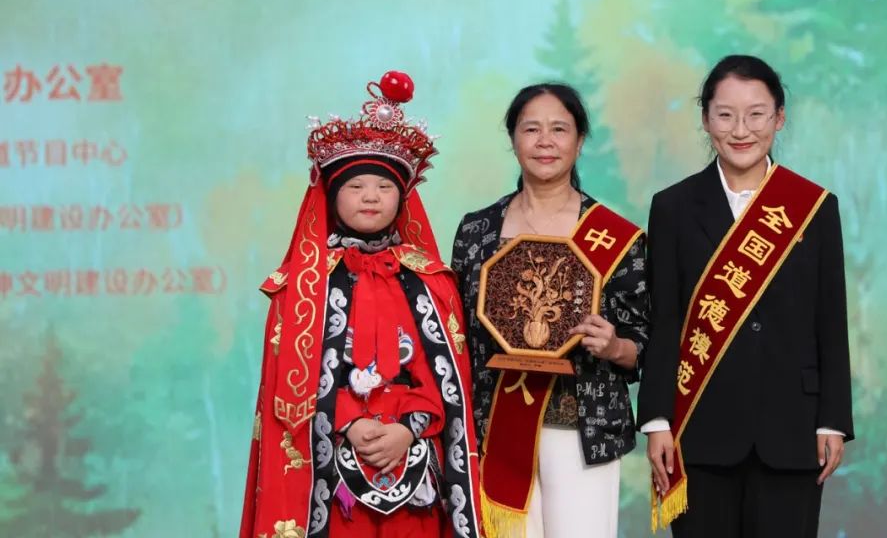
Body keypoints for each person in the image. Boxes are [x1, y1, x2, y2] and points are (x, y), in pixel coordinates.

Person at [239, 70, 484, 538]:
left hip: (416, 463)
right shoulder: (302, 285)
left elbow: (450, 381)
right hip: (331, 471)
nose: (371, 196)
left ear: (401, 198)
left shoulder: (431, 281)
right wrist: (348, 421)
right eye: (356, 187)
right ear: (332, 196)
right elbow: (286, 386)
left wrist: (408, 428)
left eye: (384, 187)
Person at [637, 55, 854, 537]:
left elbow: (830, 320)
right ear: (705, 119)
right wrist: (656, 420)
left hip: (794, 429)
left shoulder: (814, 207)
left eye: (756, 114)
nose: (741, 130)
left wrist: (833, 421)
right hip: (698, 428)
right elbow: (664, 320)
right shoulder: (672, 207)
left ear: (779, 118)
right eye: (725, 115)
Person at [451, 83, 649, 538]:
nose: (545, 141)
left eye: (559, 129)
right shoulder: (476, 231)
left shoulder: (617, 237)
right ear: (513, 139)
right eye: (531, 129)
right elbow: (455, 329)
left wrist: (614, 346)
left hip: (583, 428)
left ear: (580, 141)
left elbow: (645, 341)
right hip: (494, 424)